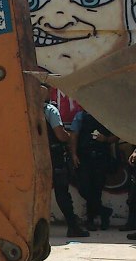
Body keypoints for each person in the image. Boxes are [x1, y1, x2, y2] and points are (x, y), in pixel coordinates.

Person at [44, 92, 89, 238]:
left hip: (35, 157)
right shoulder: (50, 110)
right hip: (54, 157)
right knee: (62, 192)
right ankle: (73, 226)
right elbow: (60, 134)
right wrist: (69, 137)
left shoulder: (26, 110)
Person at [70, 109, 118, 230]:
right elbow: (74, 135)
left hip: (101, 158)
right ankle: (103, 212)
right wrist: (74, 154)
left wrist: (105, 139)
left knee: (96, 189)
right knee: (84, 188)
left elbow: (117, 136)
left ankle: (92, 220)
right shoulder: (80, 116)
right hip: (84, 157)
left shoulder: (107, 117)